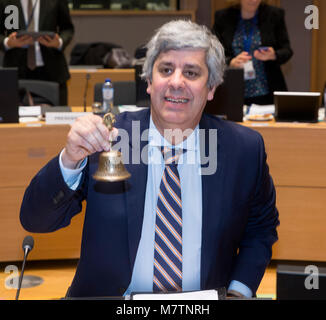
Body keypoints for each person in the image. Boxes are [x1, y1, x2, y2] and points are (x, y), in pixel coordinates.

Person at [20, 20, 279, 298]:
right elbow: (37, 220)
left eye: (191, 72)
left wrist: (239, 293)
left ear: (212, 87)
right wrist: (70, 160)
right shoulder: (110, 137)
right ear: (149, 81)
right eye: (166, 69)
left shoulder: (244, 150)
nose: (176, 82)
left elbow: (260, 231)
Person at [213, 0, 293, 105]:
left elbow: (287, 51)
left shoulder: (274, 15)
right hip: (232, 90)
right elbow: (213, 52)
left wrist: (274, 55)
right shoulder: (223, 17)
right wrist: (230, 62)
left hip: (266, 91)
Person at [0, 0, 74, 105]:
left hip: (52, 70)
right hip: (16, 69)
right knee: (13, 118)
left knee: (55, 117)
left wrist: (59, 42)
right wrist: (8, 42)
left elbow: (67, 29)